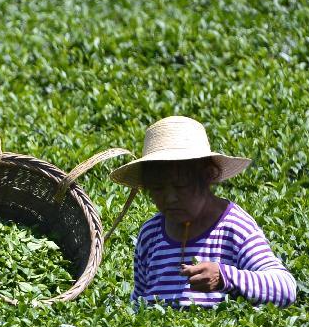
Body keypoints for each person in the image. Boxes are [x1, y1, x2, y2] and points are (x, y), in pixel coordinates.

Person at [108, 116, 296, 308]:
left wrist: (225, 277)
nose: (170, 198)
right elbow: (138, 303)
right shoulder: (151, 234)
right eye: (158, 188)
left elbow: (285, 287)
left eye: (181, 186)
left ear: (208, 176)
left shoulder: (234, 227)